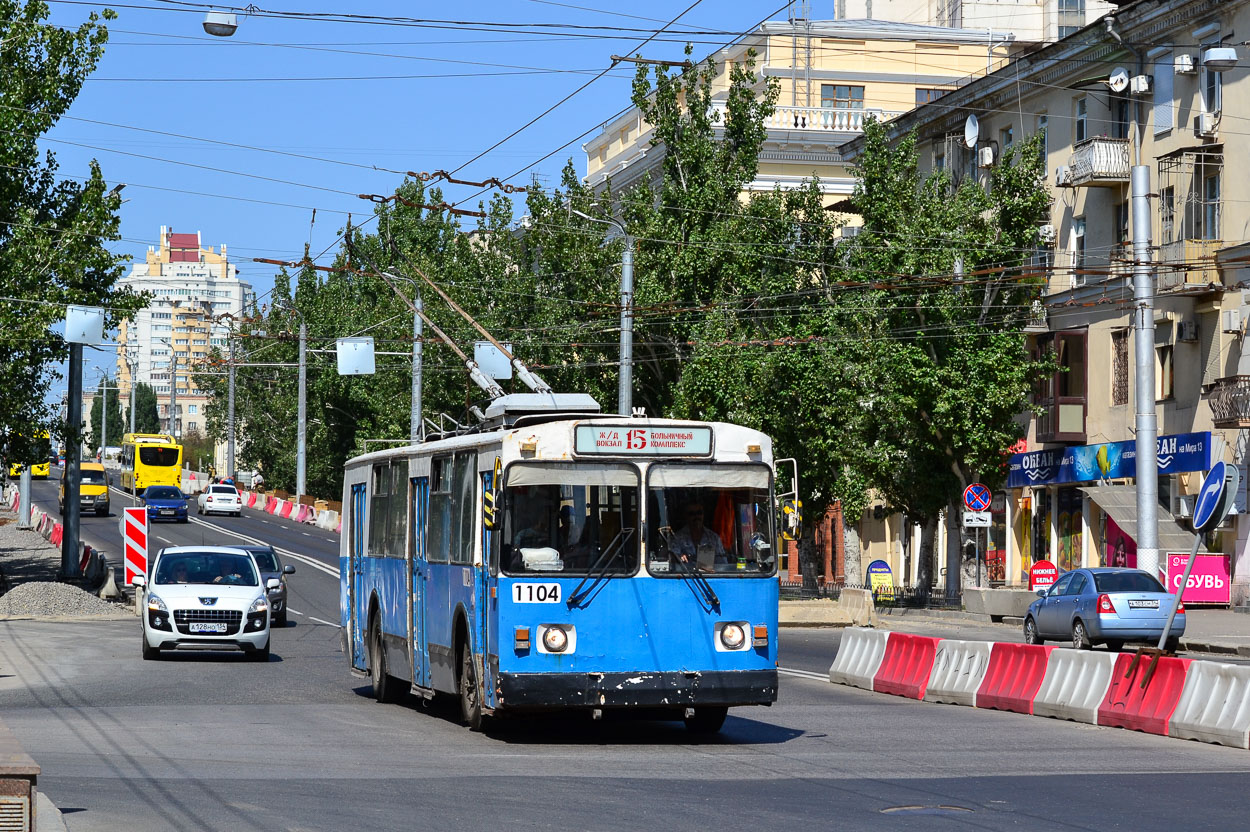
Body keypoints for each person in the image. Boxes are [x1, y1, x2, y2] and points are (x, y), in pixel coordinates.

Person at [671, 500, 727, 571]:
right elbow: (673, 562)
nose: (696, 516)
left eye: (699, 513)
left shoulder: (713, 538)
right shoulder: (677, 538)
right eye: (692, 514)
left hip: (709, 579)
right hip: (685, 578)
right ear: (685, 516)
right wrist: (680, 558)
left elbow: (723, 565)